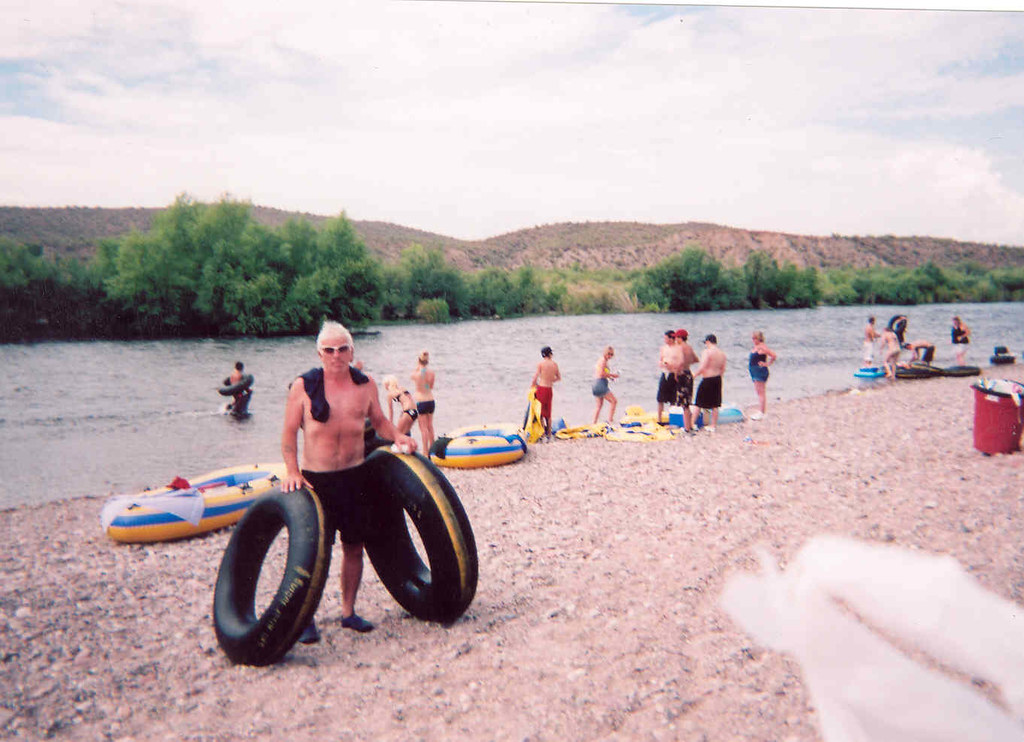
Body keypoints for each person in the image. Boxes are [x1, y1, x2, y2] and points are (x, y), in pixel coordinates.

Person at [281, 320, 418, 644]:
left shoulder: (365, 384)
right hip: (317, 481)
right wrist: (292, 471)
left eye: (342, 349)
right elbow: (288, 433)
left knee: (354, 547)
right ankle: (306, 617)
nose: (336, 355)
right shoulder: (303, 386)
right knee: (315, 552)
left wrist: (399, 436)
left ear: (351, 351)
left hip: (355, 477)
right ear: (319, 353)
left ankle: (348, 612)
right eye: (329, 350)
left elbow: (382, 423)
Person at [693, 334, 727, 432]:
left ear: (708, 342)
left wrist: (694, 375)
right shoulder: (722, 354)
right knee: (715, 404)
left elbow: (703, 366)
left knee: (698, 403)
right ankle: (713, 425)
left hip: (707, 379)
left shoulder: (707, 352)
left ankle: (692, 423)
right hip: (717, 379)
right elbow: (722, 369)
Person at [530, 346, 561, 442]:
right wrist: (551, 380)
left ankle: (543, 434)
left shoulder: (541, 364)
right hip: (549, 389)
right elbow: (558, 378)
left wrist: (533, 386)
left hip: (541, 388)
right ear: (550, 354)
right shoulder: (554, 364)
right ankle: (549, 434)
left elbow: (535, 377)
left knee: (540, 412)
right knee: (548, 412)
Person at [673, 329, 700, 433]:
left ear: (680, 338)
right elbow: (696, 359)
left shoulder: (680, 348)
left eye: (676, 337)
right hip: (689, 373)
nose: (675, 339)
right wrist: (687, 363)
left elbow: (680, 362)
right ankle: (689, 425)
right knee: (687, 402)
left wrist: (676, 372)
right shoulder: (689, 347)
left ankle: (687, 428)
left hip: (682, 374)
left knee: (684, 404)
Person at [748, 331, 777, 420]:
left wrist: (767, 364)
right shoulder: (757, 347)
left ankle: (762, 412)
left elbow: (773, 355)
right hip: (754, 371)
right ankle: (761, 411)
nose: (753, 340)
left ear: (759, 338)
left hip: (759, 371)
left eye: (754, 338)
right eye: (752, 338)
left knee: (761, 392)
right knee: (759, 392)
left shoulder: (762, 347)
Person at [411, 350, 436, 453]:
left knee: (423, 428)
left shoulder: (416, 374)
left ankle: (425, 451)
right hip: (430, 400)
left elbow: (414, 378)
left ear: (418, 360)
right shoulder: (431, 373)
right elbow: (430, 386)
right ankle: (433, 448)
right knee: (430, 426)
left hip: (421, 401)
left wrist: (418, 367)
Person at [656, 330, 682, 423]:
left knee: (673, 398)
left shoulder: (678, 348)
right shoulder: (663, 348)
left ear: (671, 338)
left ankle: (672, 418)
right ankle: (659, 419)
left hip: (673, 374)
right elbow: (660, 360)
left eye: (666, 338)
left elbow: (680, 363)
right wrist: (663, 363)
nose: (664, 340)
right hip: (665, 372)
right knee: (660, 398)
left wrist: (673, 367)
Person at [592, 346, 619, 424]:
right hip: (600, 384)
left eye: (611, 354)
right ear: (605, 353)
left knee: (599, 406)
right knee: (614, 401)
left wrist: (610, 377)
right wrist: (613, 375)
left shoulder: (600, 361)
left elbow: (601, 373)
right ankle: (610, 421)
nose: (610, 356)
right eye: (608, 354)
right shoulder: (603, 361)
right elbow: (602, 374)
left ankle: (594, 423)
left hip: (596, 383)